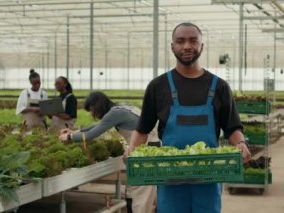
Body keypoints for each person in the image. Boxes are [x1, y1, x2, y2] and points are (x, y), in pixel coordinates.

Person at [123, 22, 251, 213]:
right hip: (169, 178)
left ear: (201, 46)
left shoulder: (220, 87)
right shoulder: (158, 86)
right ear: (172, 46)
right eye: (180, 41)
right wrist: (131, 150)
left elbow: (232, 128)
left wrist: (241, 144)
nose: (187, 46)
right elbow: (143, 128)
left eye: (193, 41)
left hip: (208, 177)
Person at [59, 91, 158, 213]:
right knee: (140, 190)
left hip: (145, 152)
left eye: (91, 110)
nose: (92, 113)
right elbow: (99, 125)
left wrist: (69, 137)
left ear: (97, 105)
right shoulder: (120, 108)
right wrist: (74, 131)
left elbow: (91, 135)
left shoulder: (114, 113)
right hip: (149, 149)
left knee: (142, 192)